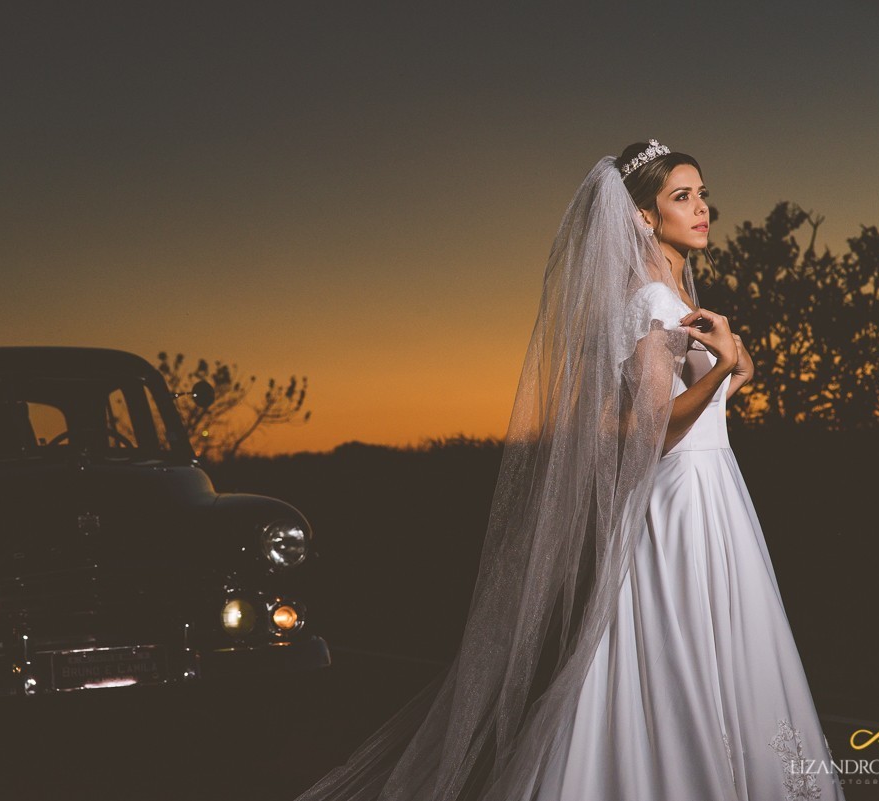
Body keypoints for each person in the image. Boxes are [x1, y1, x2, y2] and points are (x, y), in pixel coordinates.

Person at [295, 141, 844, 800]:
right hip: (678, 503)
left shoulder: (675, 298)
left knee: (722, 654)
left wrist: (734, 367)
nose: (702, 209)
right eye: (682, 197)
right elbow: (649, 434)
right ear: (643, 217)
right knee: (686, 658)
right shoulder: (651, 306)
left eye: (701, 194)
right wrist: (723, 367)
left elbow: (699, 411)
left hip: (712, 492)